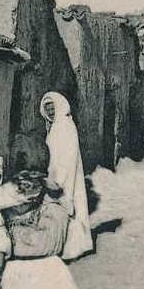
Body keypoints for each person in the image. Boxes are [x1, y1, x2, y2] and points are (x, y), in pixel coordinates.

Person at [40, 91, 93, 260]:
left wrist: (61, 181)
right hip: (56, 175)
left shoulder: (65, 126)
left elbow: (69, 158)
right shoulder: (55, 126)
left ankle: (73, 249)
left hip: (65, 177)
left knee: (70, 210)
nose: (50, 111)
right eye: (46, 108)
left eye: (52, 107)